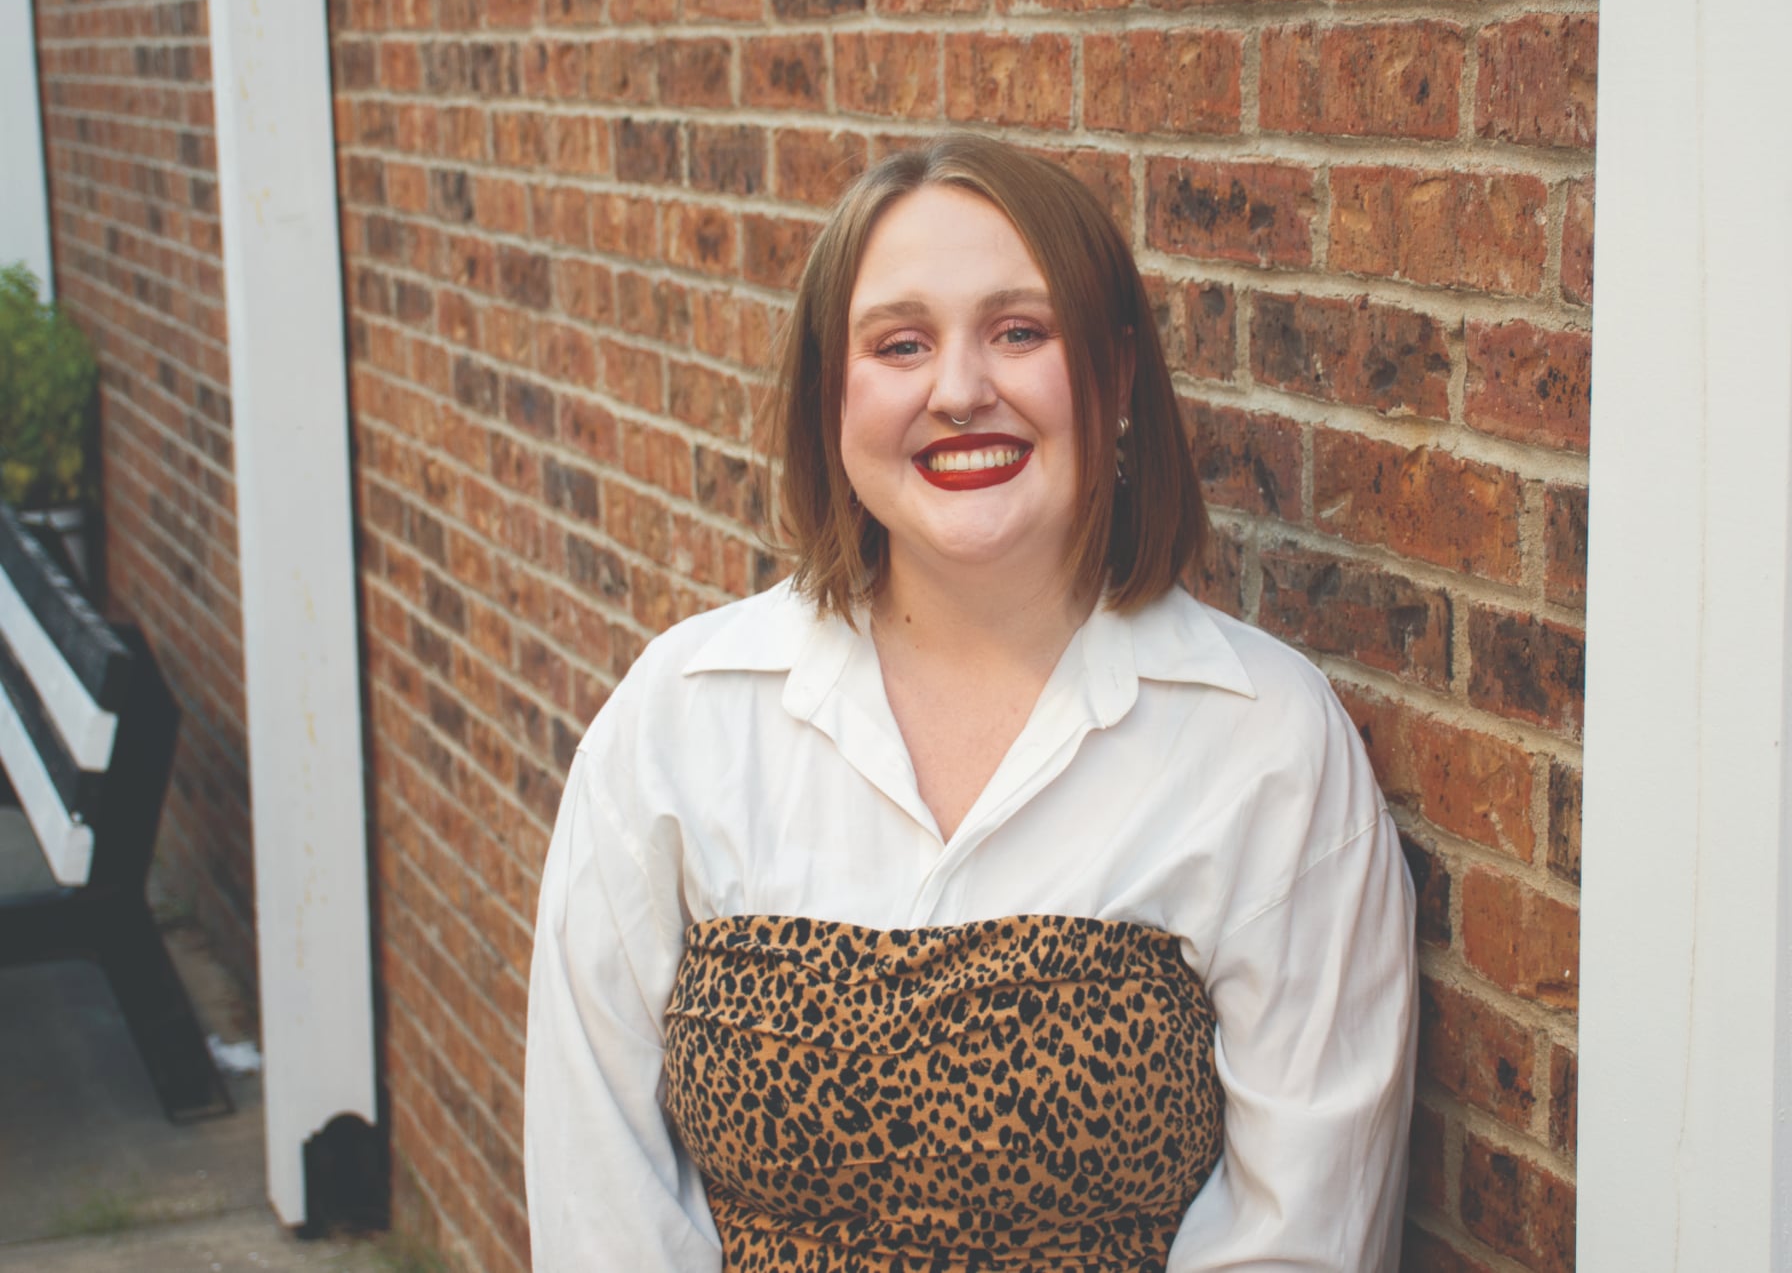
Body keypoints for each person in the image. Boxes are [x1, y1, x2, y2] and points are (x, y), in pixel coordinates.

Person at [524, 135, 1417, 1271]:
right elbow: (600, 1192)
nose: (958, 391)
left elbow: (1302, 1236)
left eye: (1019, 332)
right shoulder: (681, 722)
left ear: (1115, 374)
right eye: (900, 344)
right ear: (830, 394)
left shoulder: (1264, 745)